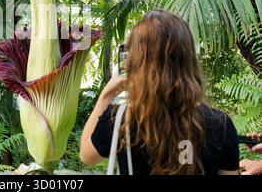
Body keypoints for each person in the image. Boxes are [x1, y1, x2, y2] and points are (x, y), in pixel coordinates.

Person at [80, 10, 239, 175]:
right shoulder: (221, 125)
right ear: (187, 58)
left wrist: (107, 95)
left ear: (136, 61)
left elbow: (86, 156)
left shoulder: (121, 119)